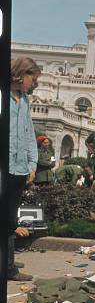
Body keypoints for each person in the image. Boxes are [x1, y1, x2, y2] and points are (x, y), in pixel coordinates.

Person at [8, 56, 42, 281]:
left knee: (10, 217)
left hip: (19, 167)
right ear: (21, 74)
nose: (34, 84)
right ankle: (8, 268)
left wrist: (32, 164)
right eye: (32, 78)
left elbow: (29, 134)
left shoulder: (25, 100)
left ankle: (7, 259)